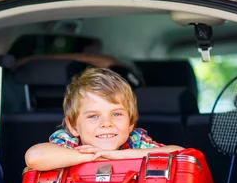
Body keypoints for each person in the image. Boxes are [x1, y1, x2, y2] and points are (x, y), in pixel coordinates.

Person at [25, 67, 183, 171]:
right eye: (93, 116)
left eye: (116, 114)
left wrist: (119, 155)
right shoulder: (70, 142)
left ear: (131, 123)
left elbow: (181, 154)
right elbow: (34, 157)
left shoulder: (135, 141)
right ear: (73, 126)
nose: (106, 123)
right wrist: (92, 157)